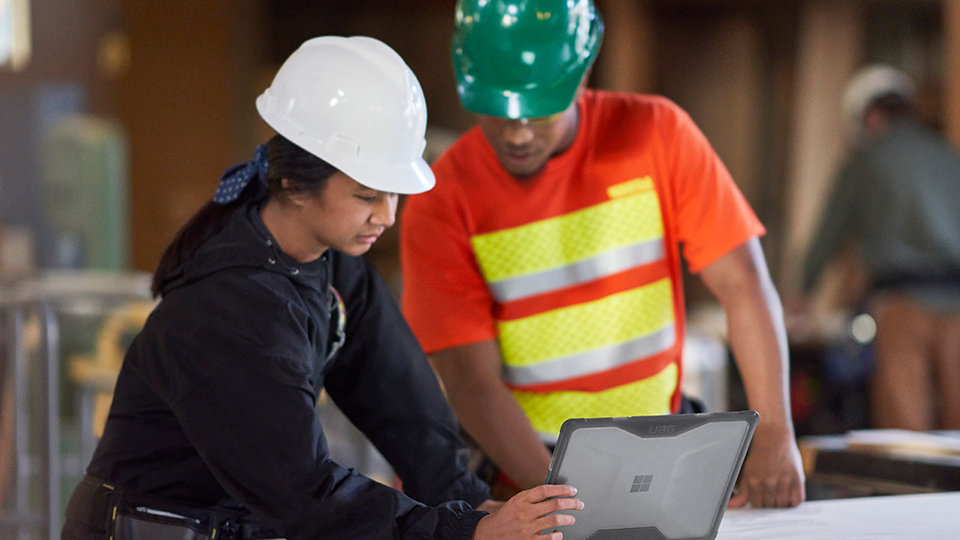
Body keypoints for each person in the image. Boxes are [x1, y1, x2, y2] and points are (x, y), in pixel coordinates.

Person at [61, 36, 584, 540]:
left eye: (393, 195)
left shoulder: (335, 265)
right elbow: (305, 493)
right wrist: (461, 531)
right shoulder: (229, 307)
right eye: (366, 195)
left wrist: (471, 504)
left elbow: (402, 404)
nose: (386, 215)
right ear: (293, 183)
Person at [400, 0, 804, 509]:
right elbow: (469, 381)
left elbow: (744, 285)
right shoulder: (442, 201)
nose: (518, 133)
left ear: (582, 70)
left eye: (539, 107)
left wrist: (774, 435)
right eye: (499, 110)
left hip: (668, 458)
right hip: (528, 472)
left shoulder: (658, 134)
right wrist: (560, 497)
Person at [802, 64, 960, 431]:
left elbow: (830, 230)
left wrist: (801, 290)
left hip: (901, 307)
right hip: (957, 305)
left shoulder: (866, 161)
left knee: (906, 437)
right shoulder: (947, 157)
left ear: (870, 116)